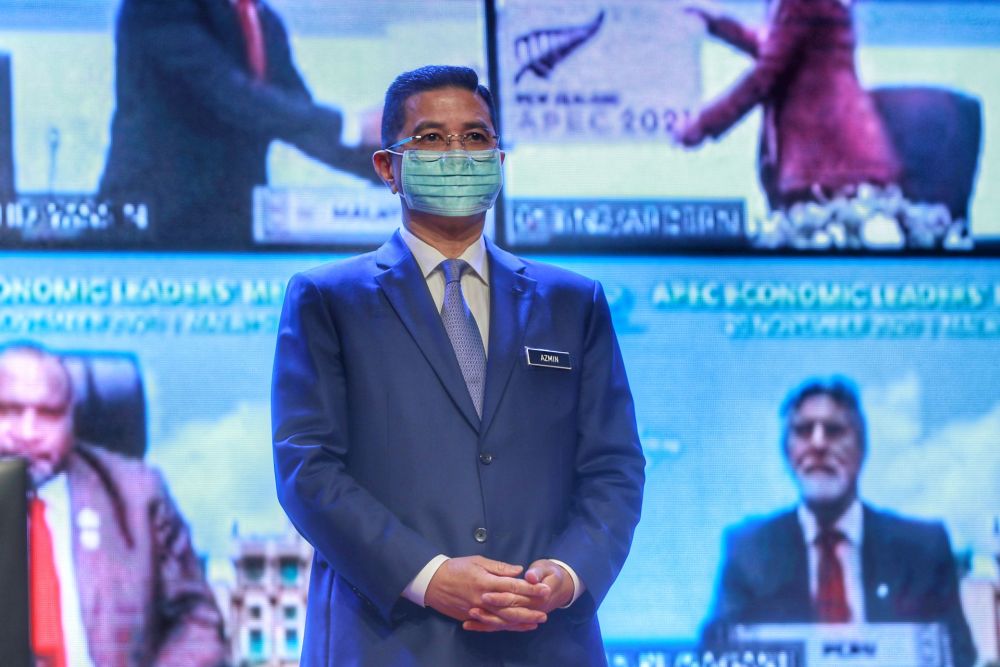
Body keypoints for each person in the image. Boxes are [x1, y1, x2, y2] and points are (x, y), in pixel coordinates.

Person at [271, 65, 645, 666]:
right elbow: (307, 470)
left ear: (498, 158)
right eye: (430, 138)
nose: (456, 154)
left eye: (475, 138)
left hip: (542, 639)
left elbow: (614, 466)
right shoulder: (328, 300)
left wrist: (570, 573)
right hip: (388, 643)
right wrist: (428, 575)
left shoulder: (573, 303)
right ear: (387, 168)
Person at [702, 377, 976, 667]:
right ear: (787, 453)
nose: (818, 444)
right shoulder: (750, 551)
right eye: (803, 431)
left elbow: (958, 655)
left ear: (861, 449)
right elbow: (716, 653)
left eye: (834, 431)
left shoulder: (923, 548)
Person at [0, 342, 226, 666]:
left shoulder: (137, 494)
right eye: (8, 410)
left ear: (72, 420)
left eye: (48, 413)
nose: (27, 432)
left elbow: (196, 621)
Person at [98, 0, 380, 249]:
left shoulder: (262, 19)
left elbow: (298, 121)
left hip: (233, 226)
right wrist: (352, 125)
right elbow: (227, 94)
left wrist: (394, 172)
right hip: (154, 223)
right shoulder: (162, 6)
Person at [674, 0, 900, 209]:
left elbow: (766, 74)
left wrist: (702, 125)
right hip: (836, 160)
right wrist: (718, 25)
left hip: (827, 162)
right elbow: (779, 47)